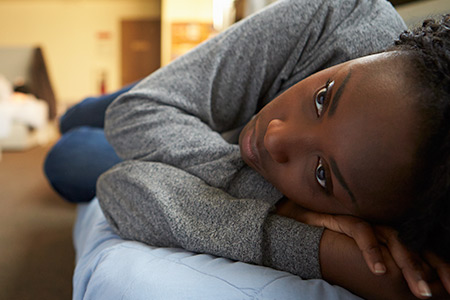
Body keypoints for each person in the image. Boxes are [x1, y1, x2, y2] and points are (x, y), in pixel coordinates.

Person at [44, 0, 450, 299]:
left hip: (200, 138)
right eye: (323, 98)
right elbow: (140, 112)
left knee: (69, 159)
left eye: (322, 174)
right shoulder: (343, 14)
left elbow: (124, 184)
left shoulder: (404, 189)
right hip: (185, 104)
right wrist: (284, 208)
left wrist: (323, 252)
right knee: (91, 114)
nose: (274, 136)